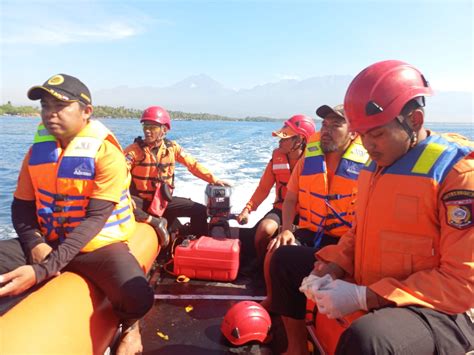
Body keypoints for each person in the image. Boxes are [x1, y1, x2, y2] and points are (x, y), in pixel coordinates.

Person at [270, 60, 474, 355]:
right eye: (362, 134)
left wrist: (365, 297)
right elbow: (358, 232)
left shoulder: (458, 176)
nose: (368, 145)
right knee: (285, 261)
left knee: (368, 339)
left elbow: (461, 283)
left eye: (377, 134)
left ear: (414, 121)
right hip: (371, 280)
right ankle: (296, 350)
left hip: (436, 309)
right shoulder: (373, 167)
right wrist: (332, 268)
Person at [0, 74, 154, 355]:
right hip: (48, 241)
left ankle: (131, 328)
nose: (50, 113)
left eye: (60, 106)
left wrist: (41, 271)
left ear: (86, 112)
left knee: (137, 295)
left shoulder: (107, 154)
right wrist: (36, 244)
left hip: (94, 246)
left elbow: (94, 220)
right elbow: (21, 207)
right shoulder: (36, 154)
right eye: (45, 106)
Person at [261, 105, 369, 309]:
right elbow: (291, 198)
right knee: (275, 252)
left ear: (353, 131)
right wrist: (285, 230)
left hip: (345, 239)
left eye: (336, 125)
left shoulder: (368, 164)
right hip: (310, 231)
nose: (327, 130)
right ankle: (273, 300)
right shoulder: (308, 160)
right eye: (324, 124)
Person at [124, 106, 229, 240]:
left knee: (200, 211)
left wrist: (213, 180)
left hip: (163, 202)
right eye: (145, 126)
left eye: (153, 127)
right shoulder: (133, 151)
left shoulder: (172, 148)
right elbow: (119, 172)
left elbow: (192, 165)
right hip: (140, 202)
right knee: (124, 205)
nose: (148, 131)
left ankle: (196, 245)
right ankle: (154, 222)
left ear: (164, 130)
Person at [236, 114, 315, 261]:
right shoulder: (276, 159)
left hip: (307, 214)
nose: (280, 141)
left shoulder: (314, 163)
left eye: (285, 138)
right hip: (281, 208)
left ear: (299, 140)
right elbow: (263, 189)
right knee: (264, 230)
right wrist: (247, 209)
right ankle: (259, 264)